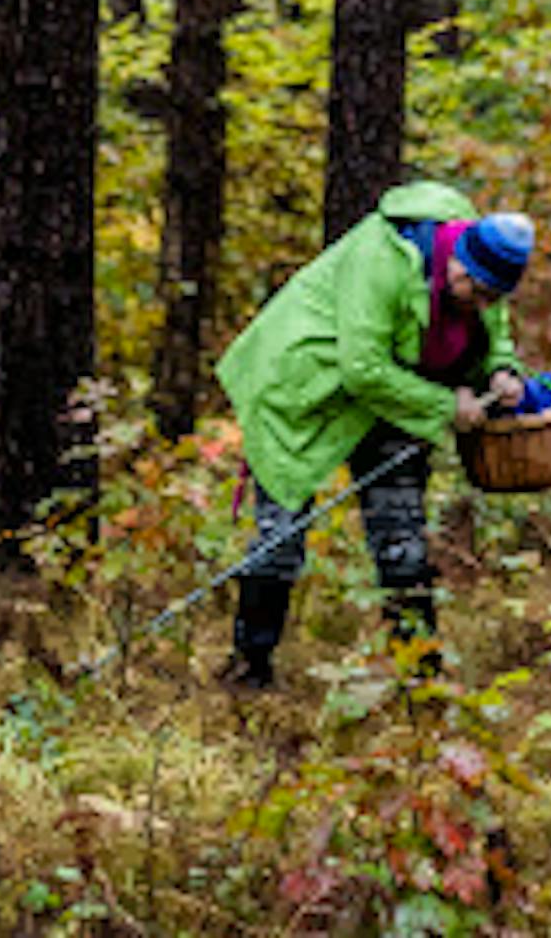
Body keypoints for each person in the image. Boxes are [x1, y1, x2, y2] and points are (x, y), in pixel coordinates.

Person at [213, 178, 533, 687]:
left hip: (392, 403)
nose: (480, 303)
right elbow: (361, 367)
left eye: (493, 296)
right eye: (474, 287)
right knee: (281, 540)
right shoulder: (382, 258)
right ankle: (249, 672)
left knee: (402, 540)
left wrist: (502, 371)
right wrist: (445, 404)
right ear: (458, 257)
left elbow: (495, 337)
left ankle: (421, 682)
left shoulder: (482, 279)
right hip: (304, 394)